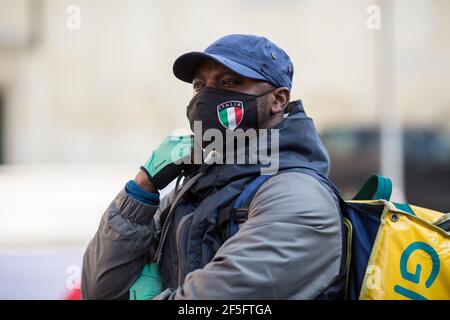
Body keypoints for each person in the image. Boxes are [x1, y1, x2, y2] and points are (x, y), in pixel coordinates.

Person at [81, 34, 346, 300]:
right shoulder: (194, 187)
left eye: (228, 82)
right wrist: (142, 187)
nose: (206, 96)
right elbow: (99, 291)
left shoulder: (296, 196)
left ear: (278, 100)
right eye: (199, 86)